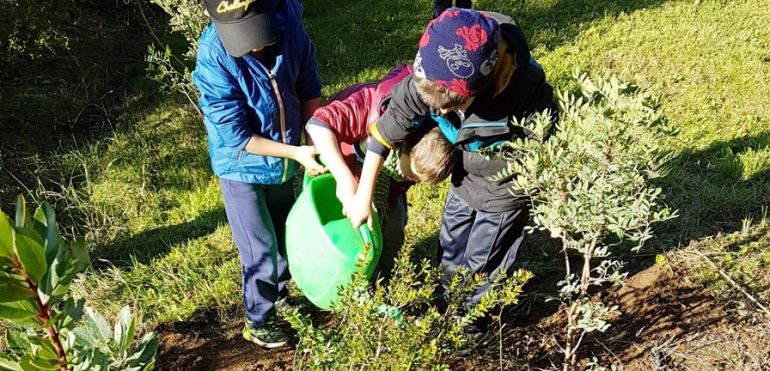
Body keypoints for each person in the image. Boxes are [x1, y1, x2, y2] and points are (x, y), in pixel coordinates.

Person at [345, 9, 555, 311]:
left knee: (483, 259)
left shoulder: (525, 89)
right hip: (464, 174)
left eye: (450, 107)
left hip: (504, 185)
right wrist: (364, 195)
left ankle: (470, 320)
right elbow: (384, 135)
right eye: (436, 107)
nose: (442, 113)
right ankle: (443, 307)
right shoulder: (431, 77)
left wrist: (528, 183)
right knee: (451, 246)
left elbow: (545, 138)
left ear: (479, 89)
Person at [192, 0, 323, 348]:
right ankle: (258, 319)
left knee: (284, 234)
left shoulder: (290, 25)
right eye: (243, 38)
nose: (255, 46)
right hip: (240, 168)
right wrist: (296, 152)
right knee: (259, 247)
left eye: (259, 32)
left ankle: (279, 295)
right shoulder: (213, 56)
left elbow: (309, 88)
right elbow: (236, 136)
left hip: (283, 163)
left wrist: (313, 140)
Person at [305, 64, 459, 275]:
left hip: (385, 189)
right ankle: (348, 279)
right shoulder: (368, 107)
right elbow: (317, 125)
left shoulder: (408, 165)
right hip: (338, 175)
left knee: (393, 231)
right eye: (412, 175)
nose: (414, 181)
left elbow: (403, 178)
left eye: (418, 180)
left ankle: (383, 279)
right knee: (350, 236)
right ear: (404, 145)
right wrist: (345, 180)